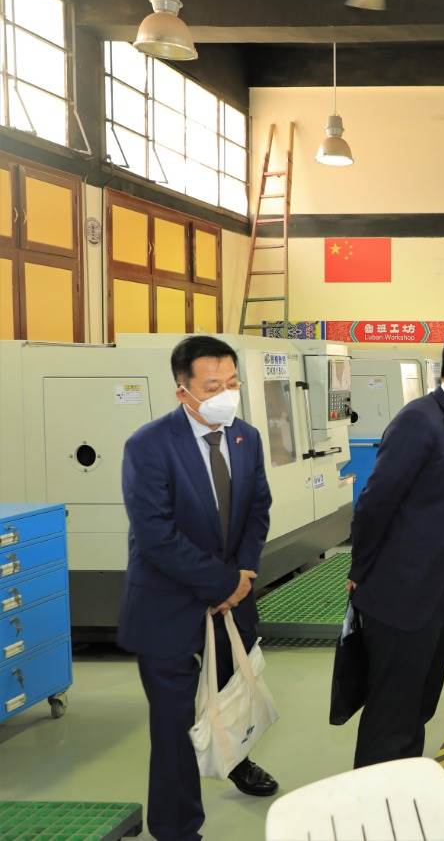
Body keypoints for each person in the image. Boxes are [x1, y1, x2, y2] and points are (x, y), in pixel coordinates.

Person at [118, 335, 277, 841]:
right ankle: (177, 828)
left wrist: (244, 573)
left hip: (233, 600)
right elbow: (156, 535)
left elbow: (257, 509)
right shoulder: (148, 446)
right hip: (167, 606)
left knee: (231, 695)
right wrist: (223, 583)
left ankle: (235, 760)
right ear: (182, 391)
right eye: (212, 387)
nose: (225, 395)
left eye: (232, 383)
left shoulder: (246, 438)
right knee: (172, 726)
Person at [345, 316, 444, 768]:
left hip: (439, 585)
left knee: (418, 704)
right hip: (401, 589)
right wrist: (360, 572)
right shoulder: (420, 420)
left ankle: (401, 788)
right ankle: (375, 799)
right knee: (392, 713)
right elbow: (375, 504)